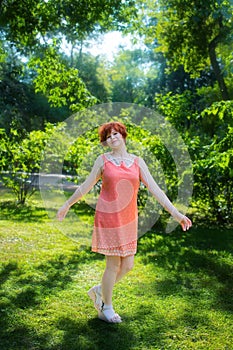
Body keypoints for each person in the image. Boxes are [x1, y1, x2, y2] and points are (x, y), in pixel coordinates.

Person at [57, 121, 192, 323]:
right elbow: (85, 186)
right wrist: (67, 204)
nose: (112, 138)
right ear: (105, 142)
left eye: (115, 134)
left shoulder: (138, 162)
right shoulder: (102, 161)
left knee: (128, 265)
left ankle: (99, 291)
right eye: (108, 137)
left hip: (128, 219)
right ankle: (106, 308)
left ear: (123, 135)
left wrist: (176, 214)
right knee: (113, 264)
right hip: (108, 217)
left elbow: (156, 190)